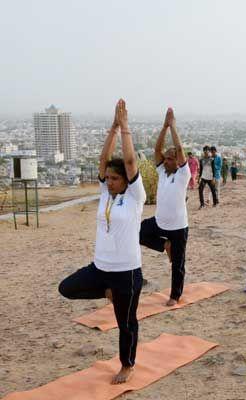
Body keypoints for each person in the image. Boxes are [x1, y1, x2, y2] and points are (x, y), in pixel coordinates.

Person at [58, 99, 145, 384]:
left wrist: (126, 128)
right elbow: (103, 159)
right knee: (67, 288)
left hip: (126, 272)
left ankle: (127, 365)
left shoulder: (135, 197)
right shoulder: (106, 194)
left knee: (126, 323)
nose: (108, 182)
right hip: (101, 268)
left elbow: (130, 161)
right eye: (106, 178)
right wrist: (112, 128)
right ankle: (106, 291)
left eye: (114, 178)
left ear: (126, 180)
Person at [139, 107, 190, 307]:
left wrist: (173, 127)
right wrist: (164, 127)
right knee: (138, 231)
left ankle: (175, 296)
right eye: (166, 158)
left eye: (171, 158)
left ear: (178, 161)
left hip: (178, 227)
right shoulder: (162, 172)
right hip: (159, 223)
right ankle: (163, 245)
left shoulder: (182, 175)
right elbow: (156, 149)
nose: (166, 161)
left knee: (178, 265)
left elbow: (179, 148)